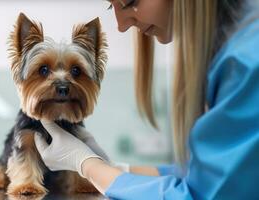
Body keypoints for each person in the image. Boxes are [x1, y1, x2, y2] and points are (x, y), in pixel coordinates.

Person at [34, 0, 259, 199]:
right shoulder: (233, 39)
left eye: (131, 2)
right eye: (112, 6)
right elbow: (206, 174)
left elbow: (202, 195)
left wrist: (88, 165)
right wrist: (114, 167)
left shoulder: (246, 61)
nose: (121, 26)